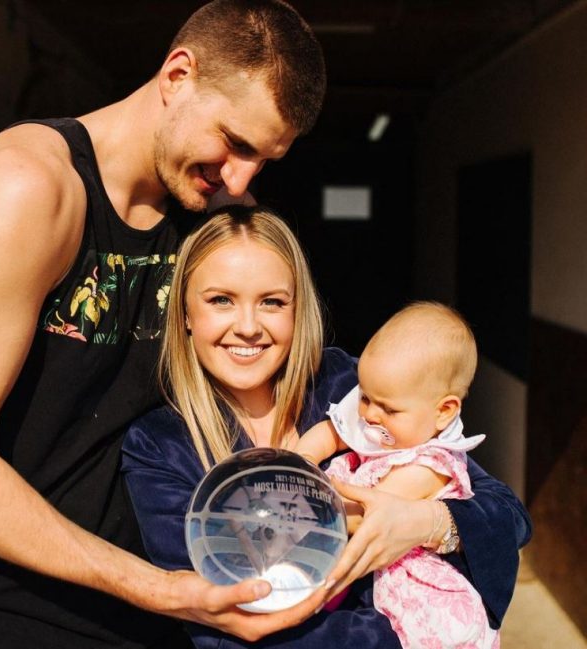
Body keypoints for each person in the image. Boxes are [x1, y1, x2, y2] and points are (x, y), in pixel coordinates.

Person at [0, 2, 330, 647]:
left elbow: (291, 392)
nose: (240, 177)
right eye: (234, 143)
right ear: (178, 75)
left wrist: (417, 509)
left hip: (147, 613)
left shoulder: (213, 209)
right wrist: (160, 588)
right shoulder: (29, 188)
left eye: (263, 160)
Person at [122, 206, 531, 648]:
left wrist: (424, 521)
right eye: (221, 299)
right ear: (184, 311)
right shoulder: (160, 444)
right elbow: (225, 626)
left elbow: (507, 515)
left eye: (272, 302)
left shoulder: (347, 386)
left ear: (298, 309)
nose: (247, 327)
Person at [296, 302, 499, 647]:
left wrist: (302, 507)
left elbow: (366, 517)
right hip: (362, 567)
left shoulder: (430, 465)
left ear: (444, 411)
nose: (370, 415)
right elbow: (333, 433)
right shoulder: (379, 414)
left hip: (416, 589)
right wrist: (297, 461)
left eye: (388, 408)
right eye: (365, 398)